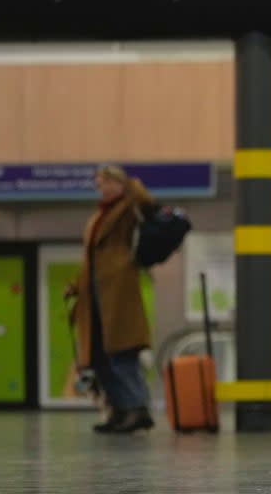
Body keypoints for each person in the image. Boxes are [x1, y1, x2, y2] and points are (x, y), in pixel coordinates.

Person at [64, 164, 155, 434]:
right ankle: (118, 410)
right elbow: (89, 261)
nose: (101, 188)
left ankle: (137, 409)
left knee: (122, 355)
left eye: (106, 182)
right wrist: (76, 286)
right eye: (98, 184)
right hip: (95, 297)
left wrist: (131, 184)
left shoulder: (126, 208)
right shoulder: (97, 218)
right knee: (101, 359)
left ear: (119, 184)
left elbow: (146, 202)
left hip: (117, 292)